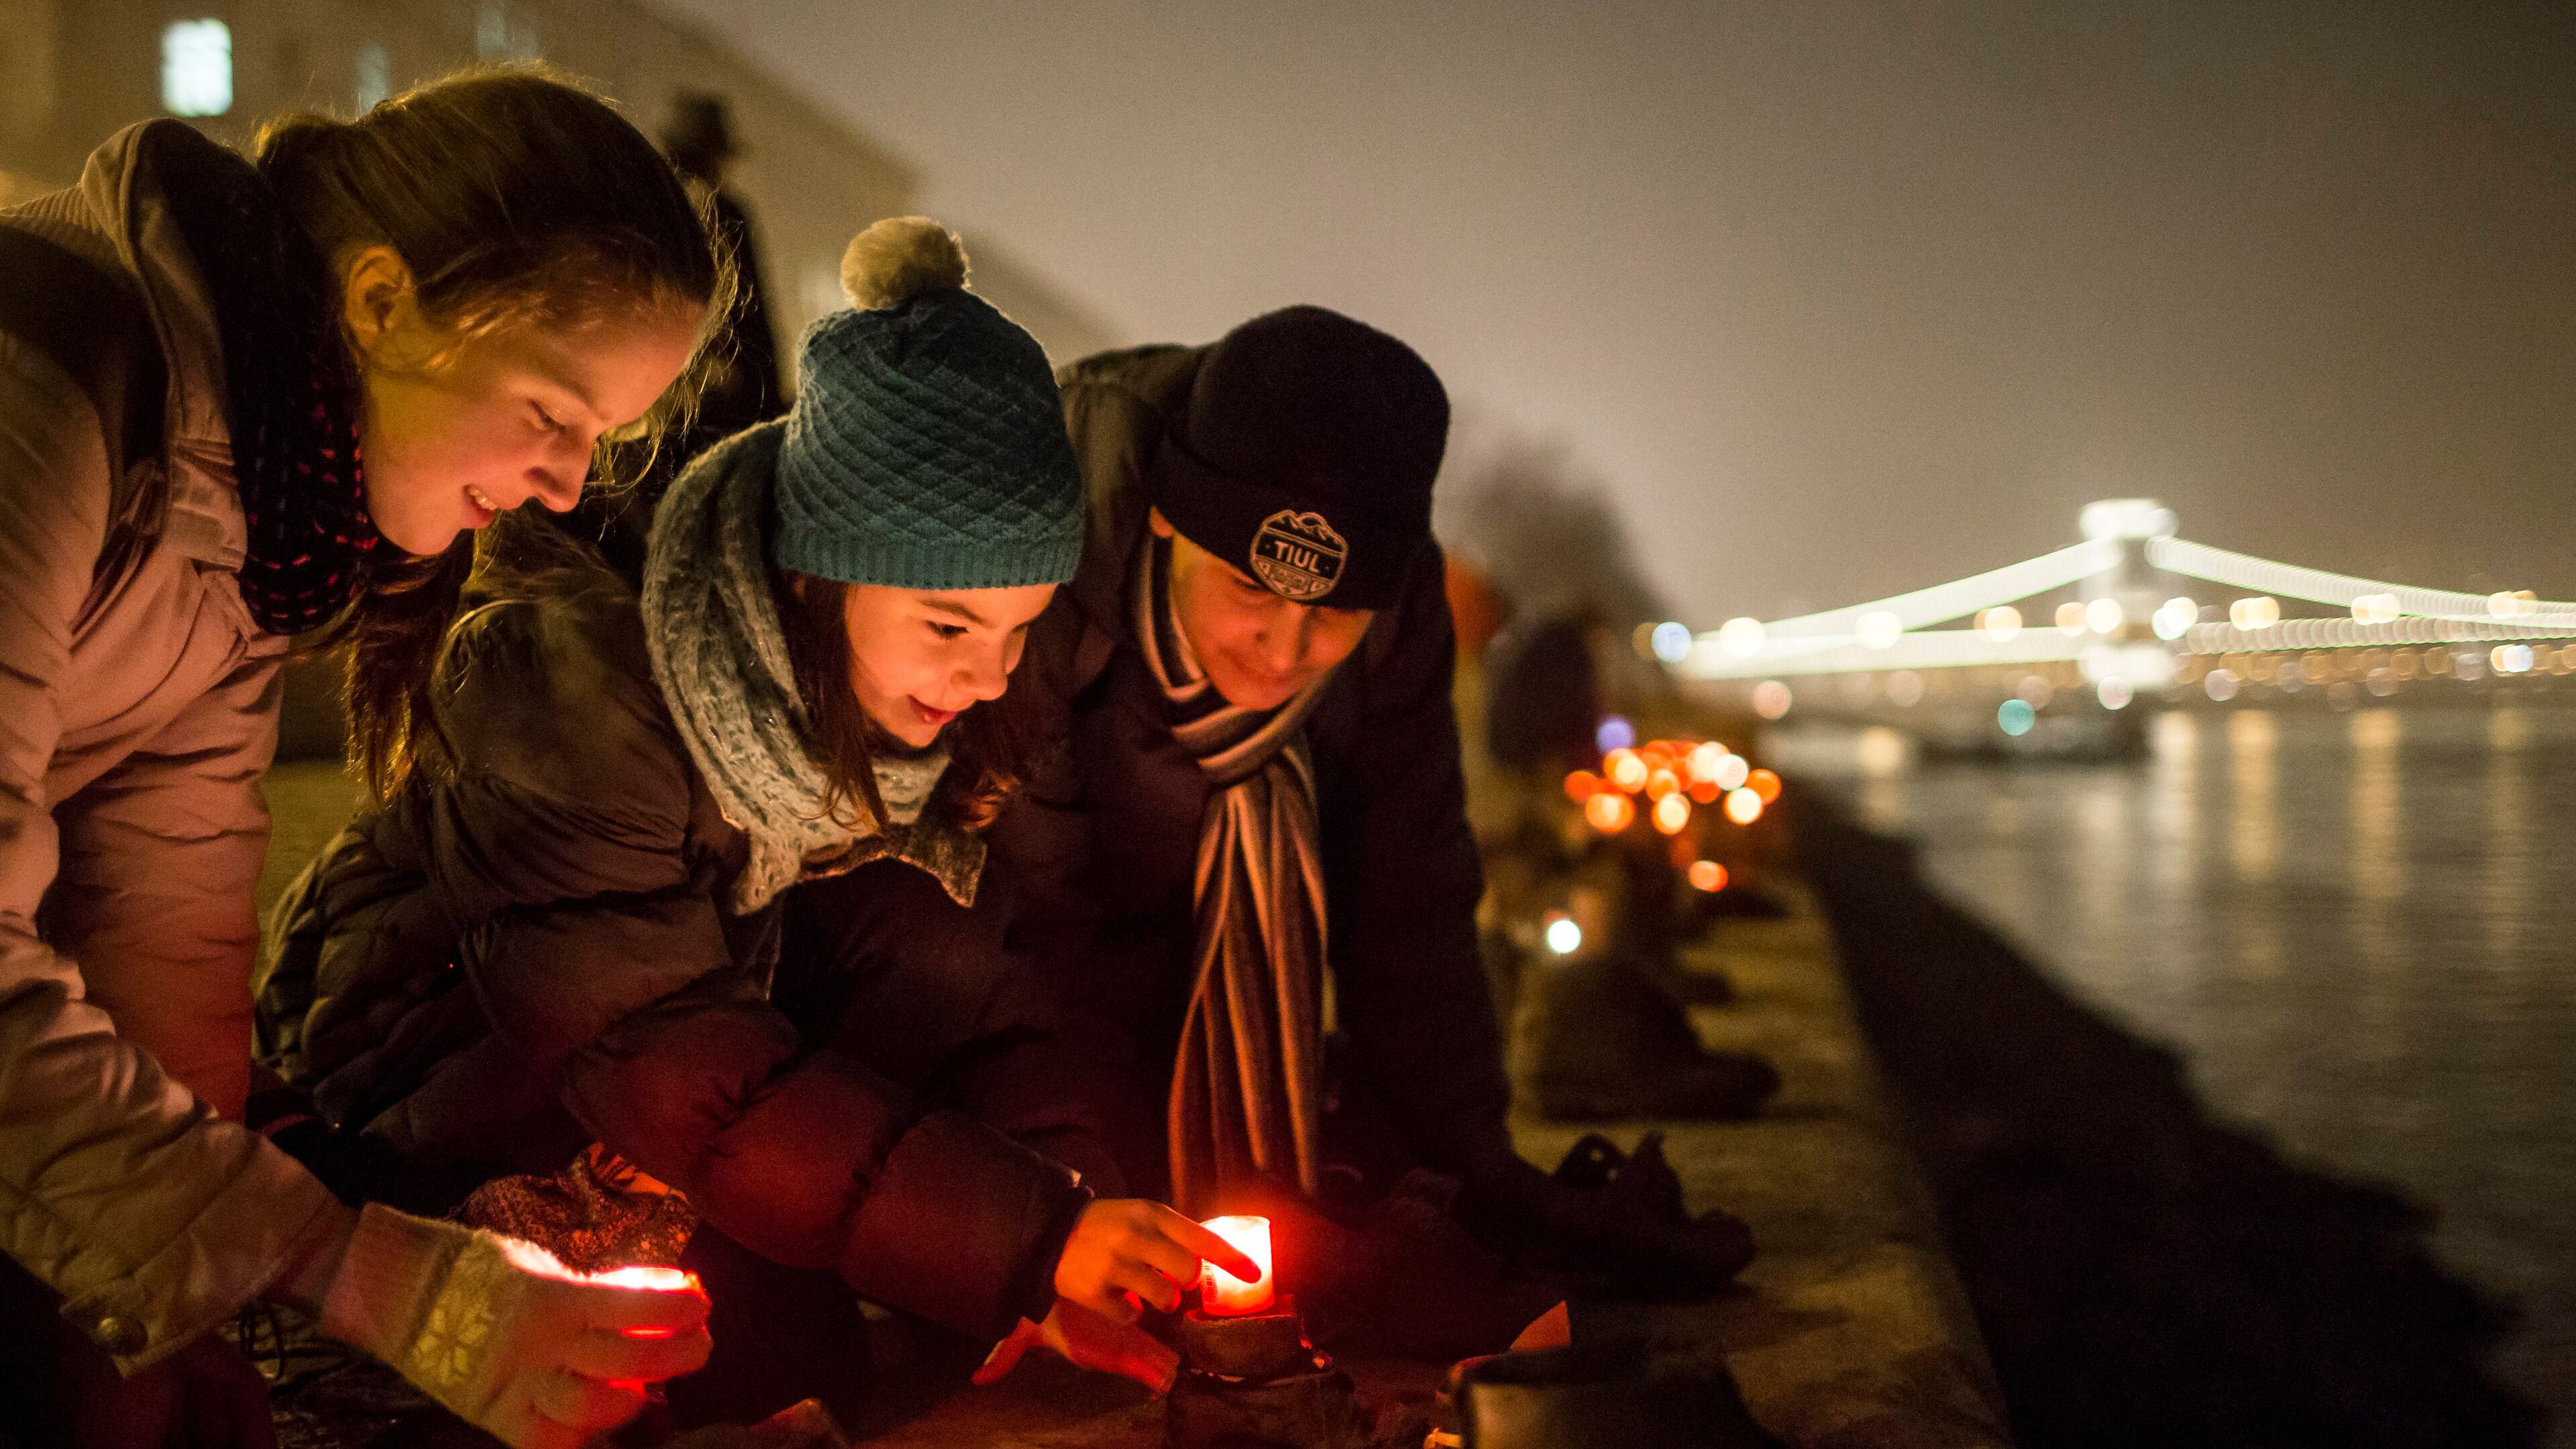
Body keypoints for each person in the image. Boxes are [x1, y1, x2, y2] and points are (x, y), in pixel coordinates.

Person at [258, 218, 1254, 1430]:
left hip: (696, 1139)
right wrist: (1027, 1241)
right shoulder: (569, 687)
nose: (990, 678)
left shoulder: (915, 722)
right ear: (811, 575)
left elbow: (984, 1002)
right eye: (949, 625)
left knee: (832, 1348)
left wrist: (1070, 1219)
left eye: (1017, 629)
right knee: (721, 1390)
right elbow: (654, 1042)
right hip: (448, 1100)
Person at [0, 69, 727, 1448]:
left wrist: (182, 1306)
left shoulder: (262, 511)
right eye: (551, 411)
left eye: (603, 443)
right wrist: (355, 1274)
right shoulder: (44, 368)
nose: (571, 486)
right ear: (383, 299)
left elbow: (165, 935)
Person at [988, 307, 1754, 1298]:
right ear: (1171, 520)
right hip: (1022, 1025)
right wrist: (1082, 1206)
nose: (1282, 651)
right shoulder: (1043, 554)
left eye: (1332, 614)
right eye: (1249, 592)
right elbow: (1029, 931)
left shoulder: (1402, 613)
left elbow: (1413, 898)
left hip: (1228, 1011)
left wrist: (1470, 1164)